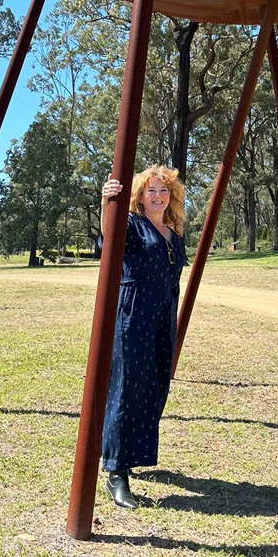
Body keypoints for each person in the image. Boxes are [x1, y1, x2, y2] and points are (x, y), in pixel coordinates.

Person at [99, 165, 187, 509]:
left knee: (154, 387)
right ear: (139, 195)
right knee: (127, 387)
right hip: (133, 313)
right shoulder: (132, 224)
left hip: (163, 315)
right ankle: (116, 472)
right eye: (151, 190)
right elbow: (109, 241)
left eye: (163, 191)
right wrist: (108, 204)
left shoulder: (171, 231)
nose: (158, 196)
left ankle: (135, 454)